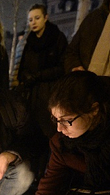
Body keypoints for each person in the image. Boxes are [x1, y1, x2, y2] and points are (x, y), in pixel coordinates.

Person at [10, 4, 68, 139]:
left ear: (45, 18)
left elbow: (62, 66)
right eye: (30, 20)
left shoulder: (57, 37)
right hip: (31, 94)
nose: (33, 22)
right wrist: (25, 77)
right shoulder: (28, 42)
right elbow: (22, 66)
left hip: (50, 92)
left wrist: (39, 75)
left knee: (48, 131)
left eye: (37, 18)